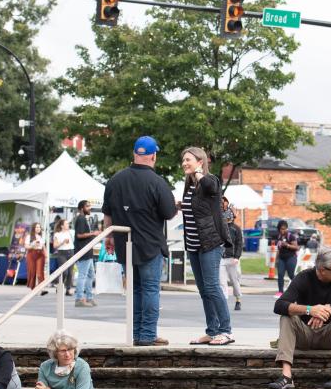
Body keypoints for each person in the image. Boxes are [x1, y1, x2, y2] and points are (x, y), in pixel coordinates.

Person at [103, 136, 177, 346]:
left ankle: (136, 333)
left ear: (135, 154)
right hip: (150, 244)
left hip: (124, 244)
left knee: (134, 291)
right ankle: (147, 334)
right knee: (151, 289)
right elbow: (169, 213)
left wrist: (108, 236)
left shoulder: (115, 180)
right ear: (153, 156)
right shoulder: (157, 182)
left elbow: (107, 213)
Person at [268, 248, 331, 389]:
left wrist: (329, 309)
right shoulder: (304, 277)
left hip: (330, 336)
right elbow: (279, 305)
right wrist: (310, 309)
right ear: (321, 270)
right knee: (286, 317)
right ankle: (286, 376)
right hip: (304, 335)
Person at [180, 146, 233, 346]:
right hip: (193, 245)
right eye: (183, 160)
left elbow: (211, 188)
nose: (184, 163)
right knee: (203, 290)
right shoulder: (189, 185)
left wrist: (199, 174)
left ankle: (226, 331)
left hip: (210, 243)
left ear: (200, 162)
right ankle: (212, 331)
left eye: (188, 160)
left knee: (212, 287)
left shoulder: (210, 181)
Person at [73, 200, 100, 308]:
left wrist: (93, 235)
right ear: (81, 208)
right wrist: (93, 233)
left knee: (90, 275)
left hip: (87, 251)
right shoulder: (81, 218)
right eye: (87, 206)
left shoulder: (84, 219)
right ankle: (79, 298)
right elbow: (79, 235)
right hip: (83, 251)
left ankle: (89, 297)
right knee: (83, 275)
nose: (90, 208)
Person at [222, 203, 244, 311]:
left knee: (234, 280)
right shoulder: (220, 228)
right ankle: (224, 301)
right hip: (221, 258)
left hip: (232, 258)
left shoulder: (236, 229)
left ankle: (238, 299)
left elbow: (239, 244)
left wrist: (237, 257)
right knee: (221, 281)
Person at [275, 219, 300, 297]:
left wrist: (287, 245)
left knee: (291, 275)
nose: (283, 230)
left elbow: (296, 247)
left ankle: (300, 289)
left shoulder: (290, 236)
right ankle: (280, 292)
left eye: (284, 228)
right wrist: (276, 260)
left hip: (291, 257)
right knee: (280, 274)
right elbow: (278, 249)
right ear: (279, 229)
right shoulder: (279, 236)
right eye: (281, 229)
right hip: (281, 258)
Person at [52, 219, 74, 296]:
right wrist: (63, 242)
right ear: (62, 226)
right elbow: (55, 246)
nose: (68, 225)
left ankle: (68, 289)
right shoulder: (57, 234)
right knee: (65, 272)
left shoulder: (71, 232)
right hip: (62, 253)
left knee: (70, 273)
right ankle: (58, 284)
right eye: (66, 224)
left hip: (70, 251)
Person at [25, 222, 47, 292]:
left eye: (39, 227)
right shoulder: (29, 236)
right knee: (32, 271)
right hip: (32, 253)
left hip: (40, 254)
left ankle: (41, 288)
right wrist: (32, 245)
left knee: (40, 272)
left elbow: (43, 247)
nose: (38, 229)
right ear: (33, 228)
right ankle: (33, 288)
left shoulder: (41, 237)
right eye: (36, 227)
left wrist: (46, 256)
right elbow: (26, 246)